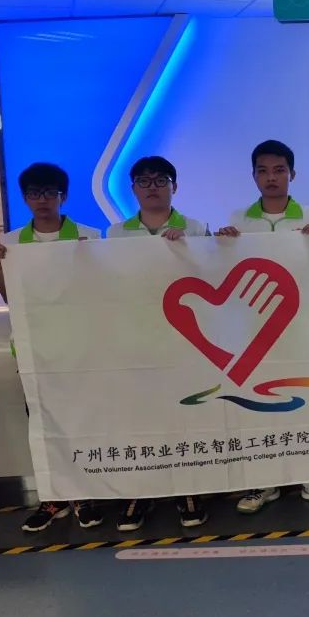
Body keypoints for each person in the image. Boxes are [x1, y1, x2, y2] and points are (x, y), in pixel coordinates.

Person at [216, 140, 309, 514]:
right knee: (257, 404)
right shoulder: (238, 221)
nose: (271, 178)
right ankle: (263, 483)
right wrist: (221, 246)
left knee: (306, 402)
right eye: (264, 171)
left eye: (279, 170)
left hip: (301, 325)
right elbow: (224, 273)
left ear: (293, 174)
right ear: (253, 175)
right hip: (253, 332)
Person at [0, 162, 103, 533]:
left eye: (50, 192)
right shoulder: (11, 243)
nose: (42, 199)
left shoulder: (88, 236)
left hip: (78, 348)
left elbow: (100, 293)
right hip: (33, 350)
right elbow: (11, 299)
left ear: (63, 196)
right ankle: (53, 498)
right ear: (25, 198)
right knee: (43, 425)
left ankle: (84, 495)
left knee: (81, 421)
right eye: (34, 193)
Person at [106, 156, 209, 531]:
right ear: (132, 188)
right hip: (135, 340)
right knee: (139, 417)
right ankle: (140, 492)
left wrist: (190, 250)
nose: (152, 187)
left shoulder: (196, 228)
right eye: (144, 181)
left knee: (185, 417)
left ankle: (188, 490)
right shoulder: (115, 235)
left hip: (185, 341)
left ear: (174, 186)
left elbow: (212, 278)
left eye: (160, 180)